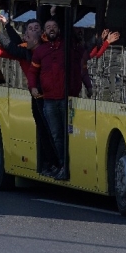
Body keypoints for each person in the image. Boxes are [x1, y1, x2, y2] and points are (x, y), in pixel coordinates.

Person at [0, 18, 61, 177]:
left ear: (41, 33)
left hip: (51, 95)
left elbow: (12, 45)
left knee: (52, 132)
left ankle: (57, 163)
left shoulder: (46, 48)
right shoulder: (25, 50)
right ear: (26, 35)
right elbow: (1, 51)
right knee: (43, 131)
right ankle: (51, 163)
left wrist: (2, 30)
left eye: (36, 28)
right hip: (37, 96)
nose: (34, 31)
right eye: (30, 28)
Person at [27, 19, 86, 180]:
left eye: (54, 26)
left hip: (67, 100)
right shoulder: (41, 51)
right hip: (49, 100)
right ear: (44, 32)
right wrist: (33, 87)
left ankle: (66, 166)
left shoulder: (68, 48)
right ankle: (61, 166)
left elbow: (83, 60)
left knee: (68, 135)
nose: (51, 29)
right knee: (56, 135)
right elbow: (32, 72)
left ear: (59, 29)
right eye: (48, 27)